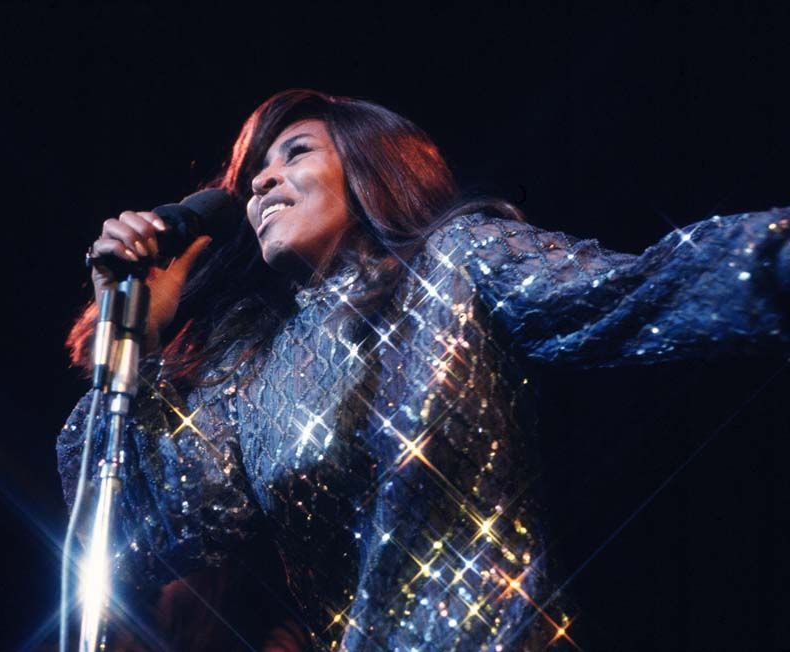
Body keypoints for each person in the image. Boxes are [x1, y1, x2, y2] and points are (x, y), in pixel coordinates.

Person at [57, 89, 789, 651]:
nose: (262, 183)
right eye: (254, 175)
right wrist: (140, 342)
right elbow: (158, 531)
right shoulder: (252, 373)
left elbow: (635, 294)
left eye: (296, 153)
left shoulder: (457, 261)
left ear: (370, 166)